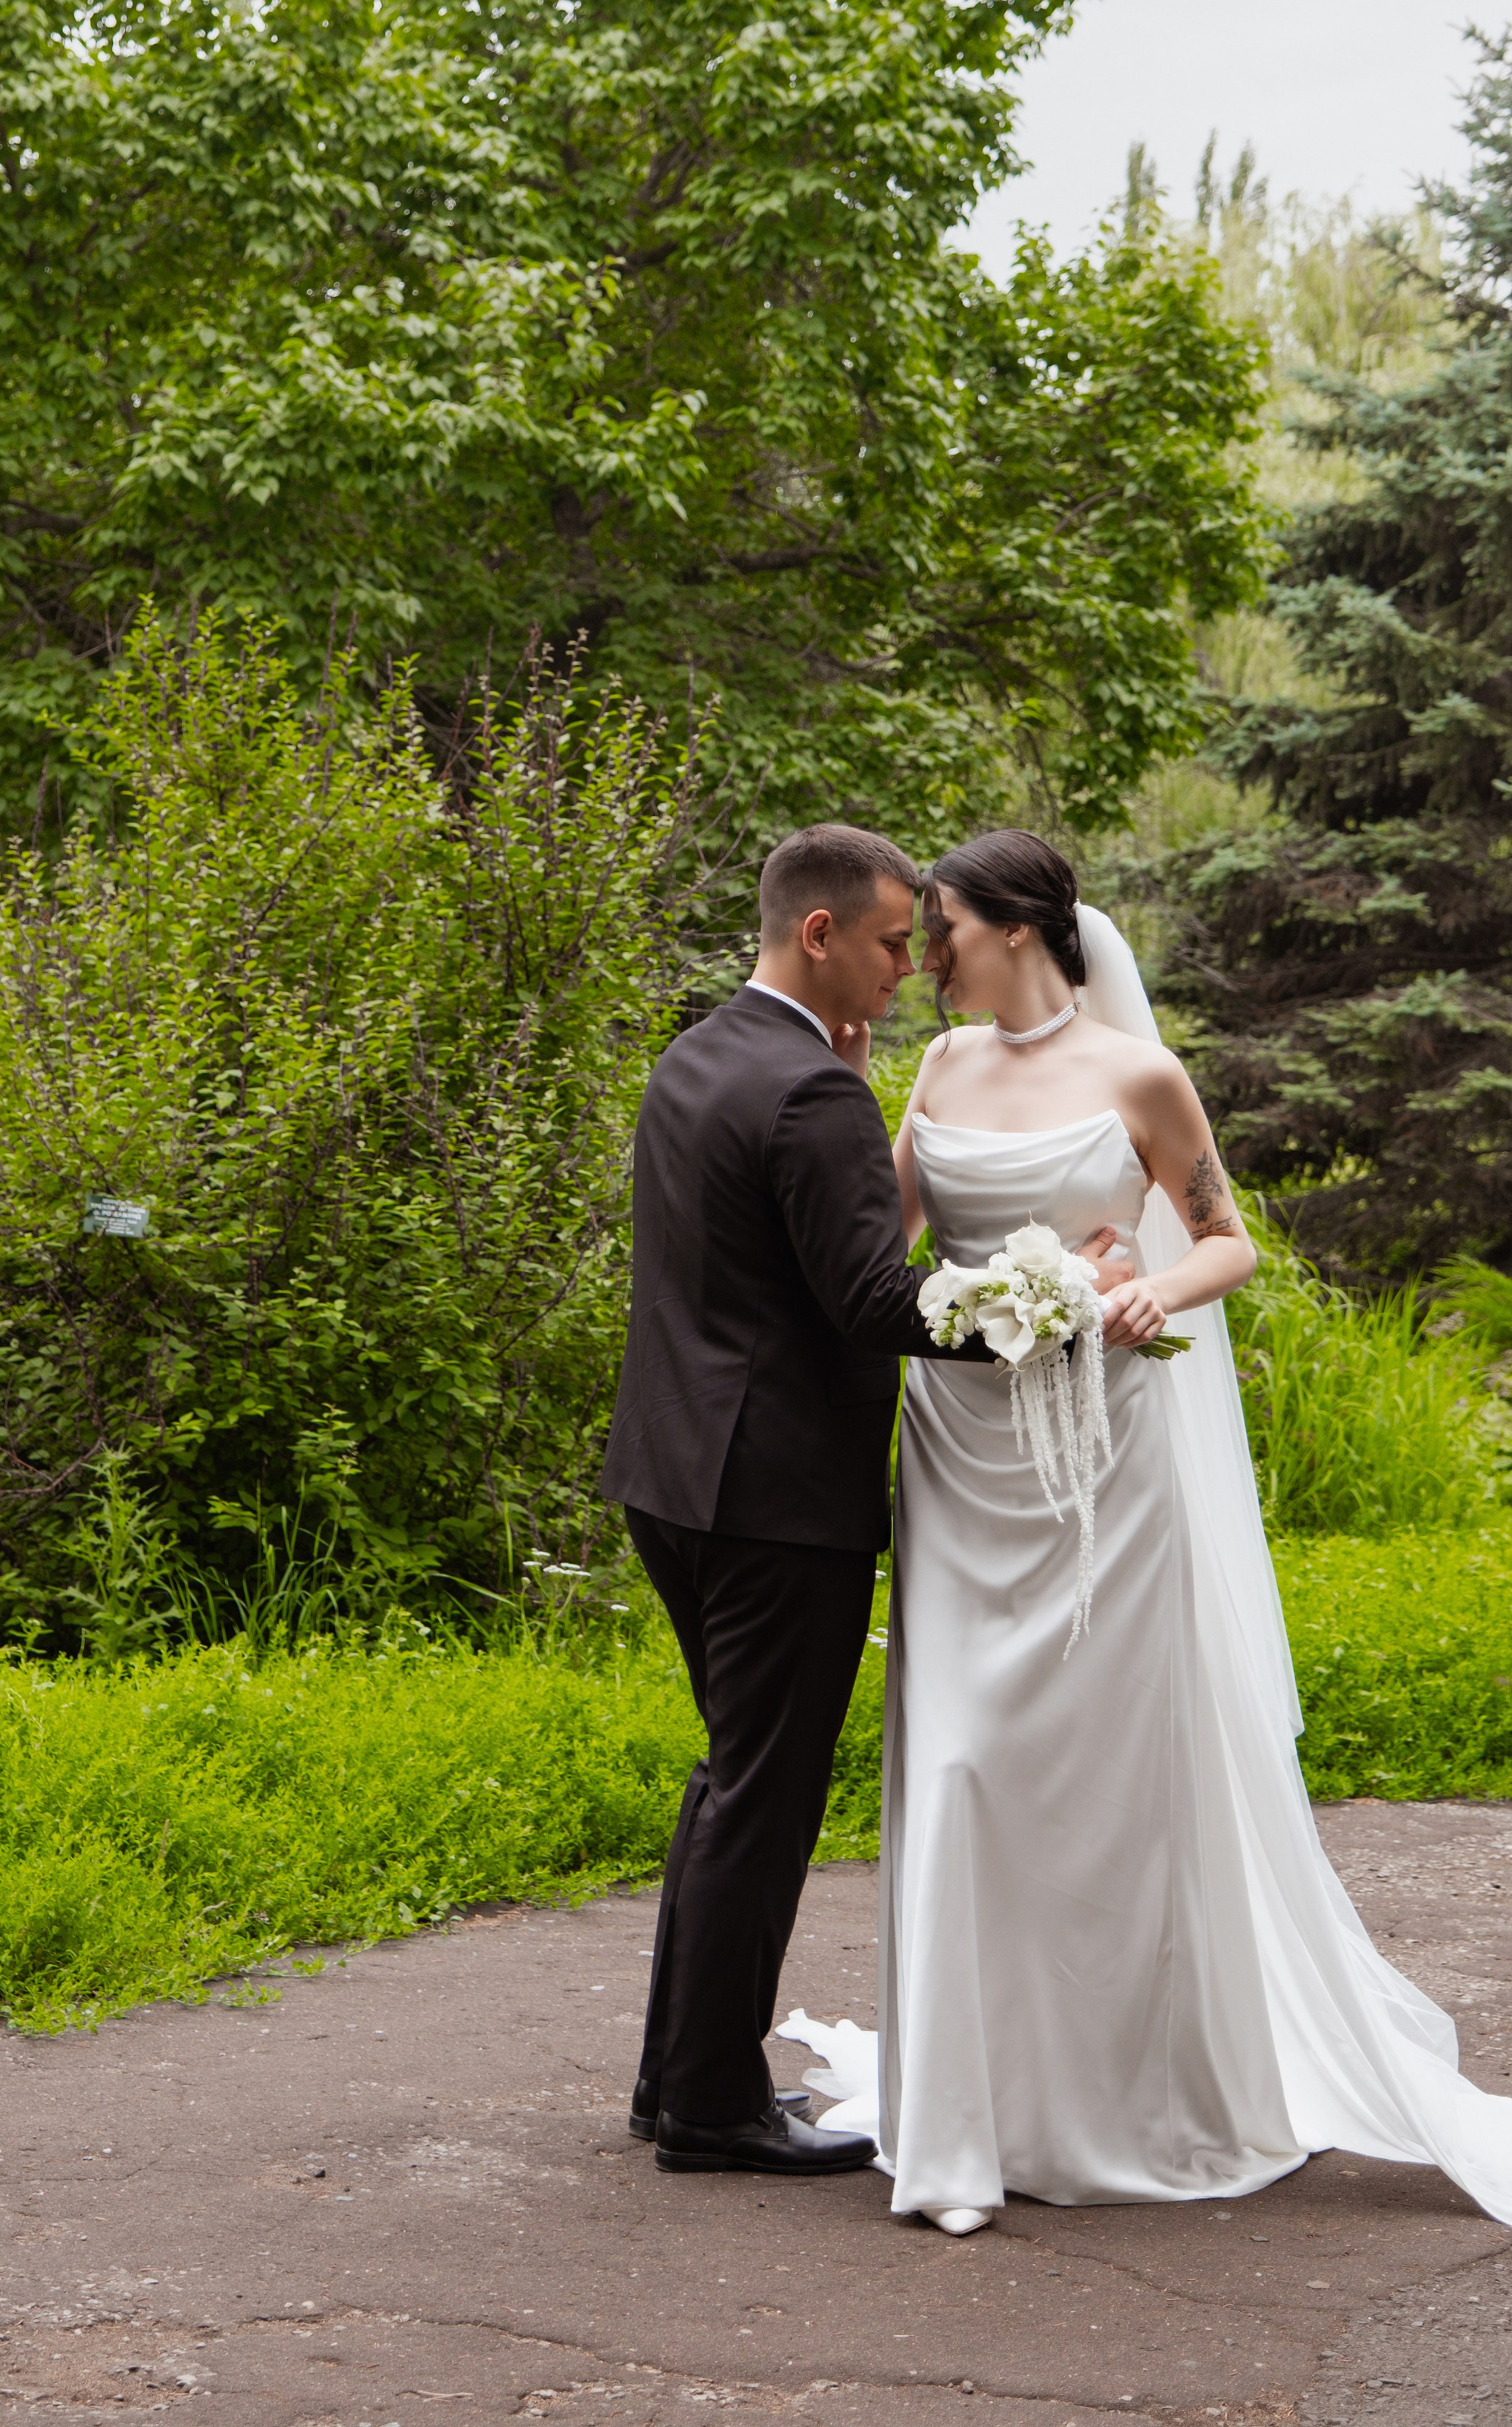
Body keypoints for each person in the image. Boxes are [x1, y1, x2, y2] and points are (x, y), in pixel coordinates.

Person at [785, 829, 1512, 2234]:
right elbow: (881, 1251)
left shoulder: (1140, 1075)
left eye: (943, 927)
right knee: (960, 1757)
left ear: (1017, 925)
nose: (926, 952)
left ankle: (1126, 2096)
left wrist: (1147, 1292)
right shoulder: (938, 1069)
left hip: (1103, 1459)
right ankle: (967, 2111)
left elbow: (1226, 1238)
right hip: (960, 1454)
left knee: (1102, 1774)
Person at [598, 822, 1125, 2179]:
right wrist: (1061, 1294)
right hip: (776, 1500)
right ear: (820, 933)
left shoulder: (697, 1054)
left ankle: (677, 2080)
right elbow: (877, 1301)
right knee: (763, 1796)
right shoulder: (816, 1092)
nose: (912, 964)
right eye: (894, 941)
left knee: (732, 1776)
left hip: (671, 1473)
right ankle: (714, 2107)